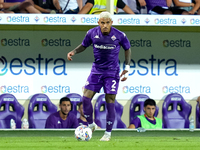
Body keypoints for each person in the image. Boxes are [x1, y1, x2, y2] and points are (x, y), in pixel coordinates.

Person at [67, 11, 131, 141]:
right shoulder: (91, 33)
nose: (105, 25)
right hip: (96, 71)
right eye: (103, 23)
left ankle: (107, 133)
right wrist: (74, 51)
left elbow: (127, 49)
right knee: (85, 98)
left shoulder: (119, 35)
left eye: (108, 23)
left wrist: (127, 68)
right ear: (99, 23)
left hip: (112, 73)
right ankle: (91, 124)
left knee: (110, 101)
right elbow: (84, 45)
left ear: (111, 23)